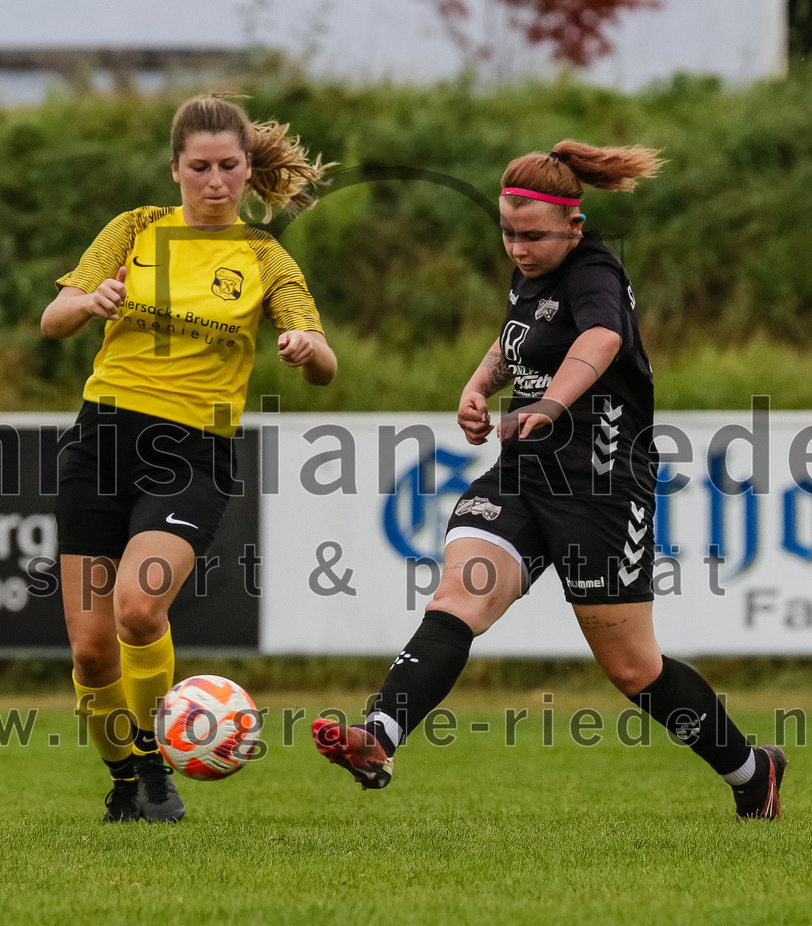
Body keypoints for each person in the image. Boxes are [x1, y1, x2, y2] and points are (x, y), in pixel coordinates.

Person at [312, 142, 787, 820]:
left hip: (602, 484)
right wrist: (479, 386)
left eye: (532, 234)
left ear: (575, 224)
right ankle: (381, 734)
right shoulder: (532, 272)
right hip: (523, 476)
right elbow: (514, 339)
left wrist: (549, 405)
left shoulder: (594, 271)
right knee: (457, 596)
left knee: (633, 669)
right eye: (507, 232)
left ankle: (751, 771)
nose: (518, 247)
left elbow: (600, 342)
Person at [42, 93, 336, 823]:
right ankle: (123, 779)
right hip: (102, 438)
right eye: (199, 166)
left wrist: (305, 350)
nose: (215, 180)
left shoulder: (265, 257)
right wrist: (88, 302)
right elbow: (54, 320)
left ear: (246, 171)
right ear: (174, 168)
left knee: (139, 610)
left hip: (192, 452)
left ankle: (153, 765)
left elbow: (326, 361)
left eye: (228, 166)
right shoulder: (135, 230)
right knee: (90, 652)